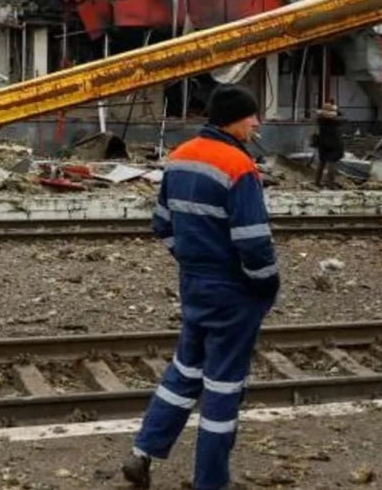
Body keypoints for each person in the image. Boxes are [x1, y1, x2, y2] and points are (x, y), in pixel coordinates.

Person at [122, 84, 280, 490]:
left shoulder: (179, 158)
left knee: (185, 371)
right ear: (233, 119)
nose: (256, 123)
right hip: (233, 291)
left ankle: (144, 453)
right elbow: (253, 241)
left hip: (195, 285)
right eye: (251, 117)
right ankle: (211, 481)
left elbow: (162, 225)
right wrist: (266, 285)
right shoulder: (239, 167)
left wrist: (191, 261)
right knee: (224, 387)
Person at [311, 101, 344, 188]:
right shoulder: (335, 121)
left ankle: (317, 182)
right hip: (334, 143)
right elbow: (342, 118)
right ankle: (330, 183)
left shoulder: (320, 120)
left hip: (322, 144)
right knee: (332, 163)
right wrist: (336, 111)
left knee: (321, 163)